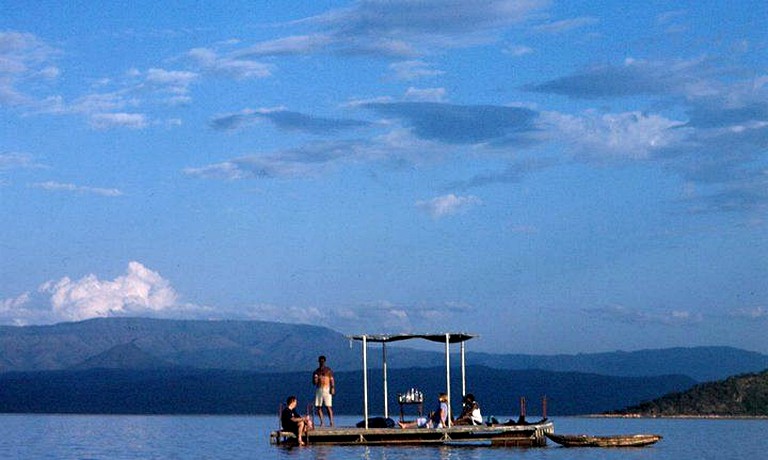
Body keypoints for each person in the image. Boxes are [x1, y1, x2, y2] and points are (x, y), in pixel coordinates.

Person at [312, 355, 335, 427]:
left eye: (323, 361)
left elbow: (332, 379)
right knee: (319, 406)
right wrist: (315, 379)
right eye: (320, 361)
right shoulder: (316, 371)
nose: (322, 363)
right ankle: (322, 422)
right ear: (318, 362)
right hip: (319, 389)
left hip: (327, 389)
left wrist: (332, 387)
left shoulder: (328, 370)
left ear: (324, 362)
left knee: (328, 406)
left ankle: (331, 421)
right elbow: (314, 383)